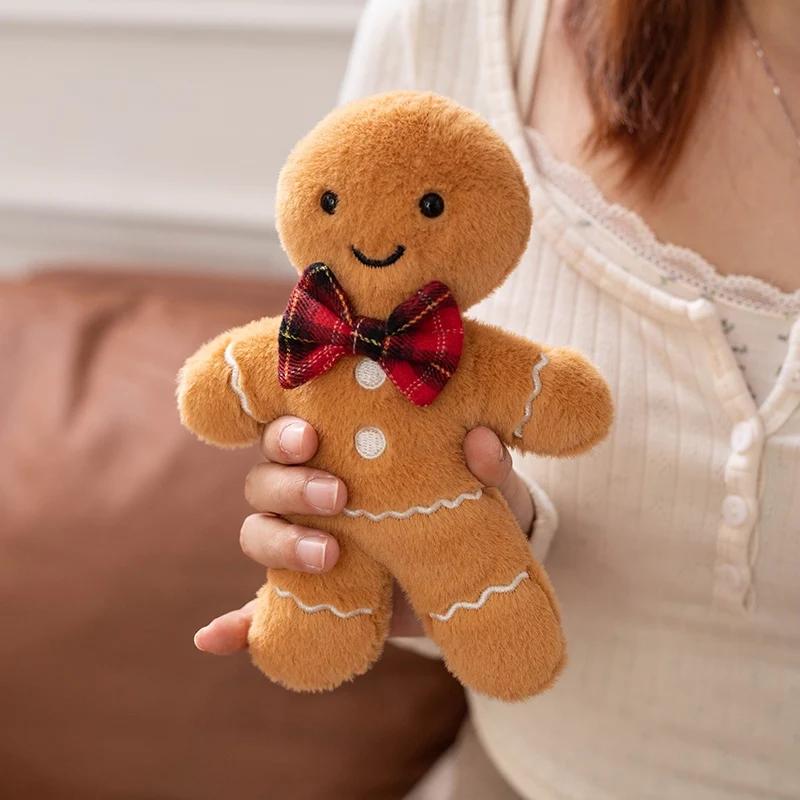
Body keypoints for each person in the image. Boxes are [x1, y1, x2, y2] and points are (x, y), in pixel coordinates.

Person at [193, 0, 800, 796]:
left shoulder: (479, 360)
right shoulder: (445, 25)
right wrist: (499, 530)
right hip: (523, 778)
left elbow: (559, 399)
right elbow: (241, 383)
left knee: (484, 592)